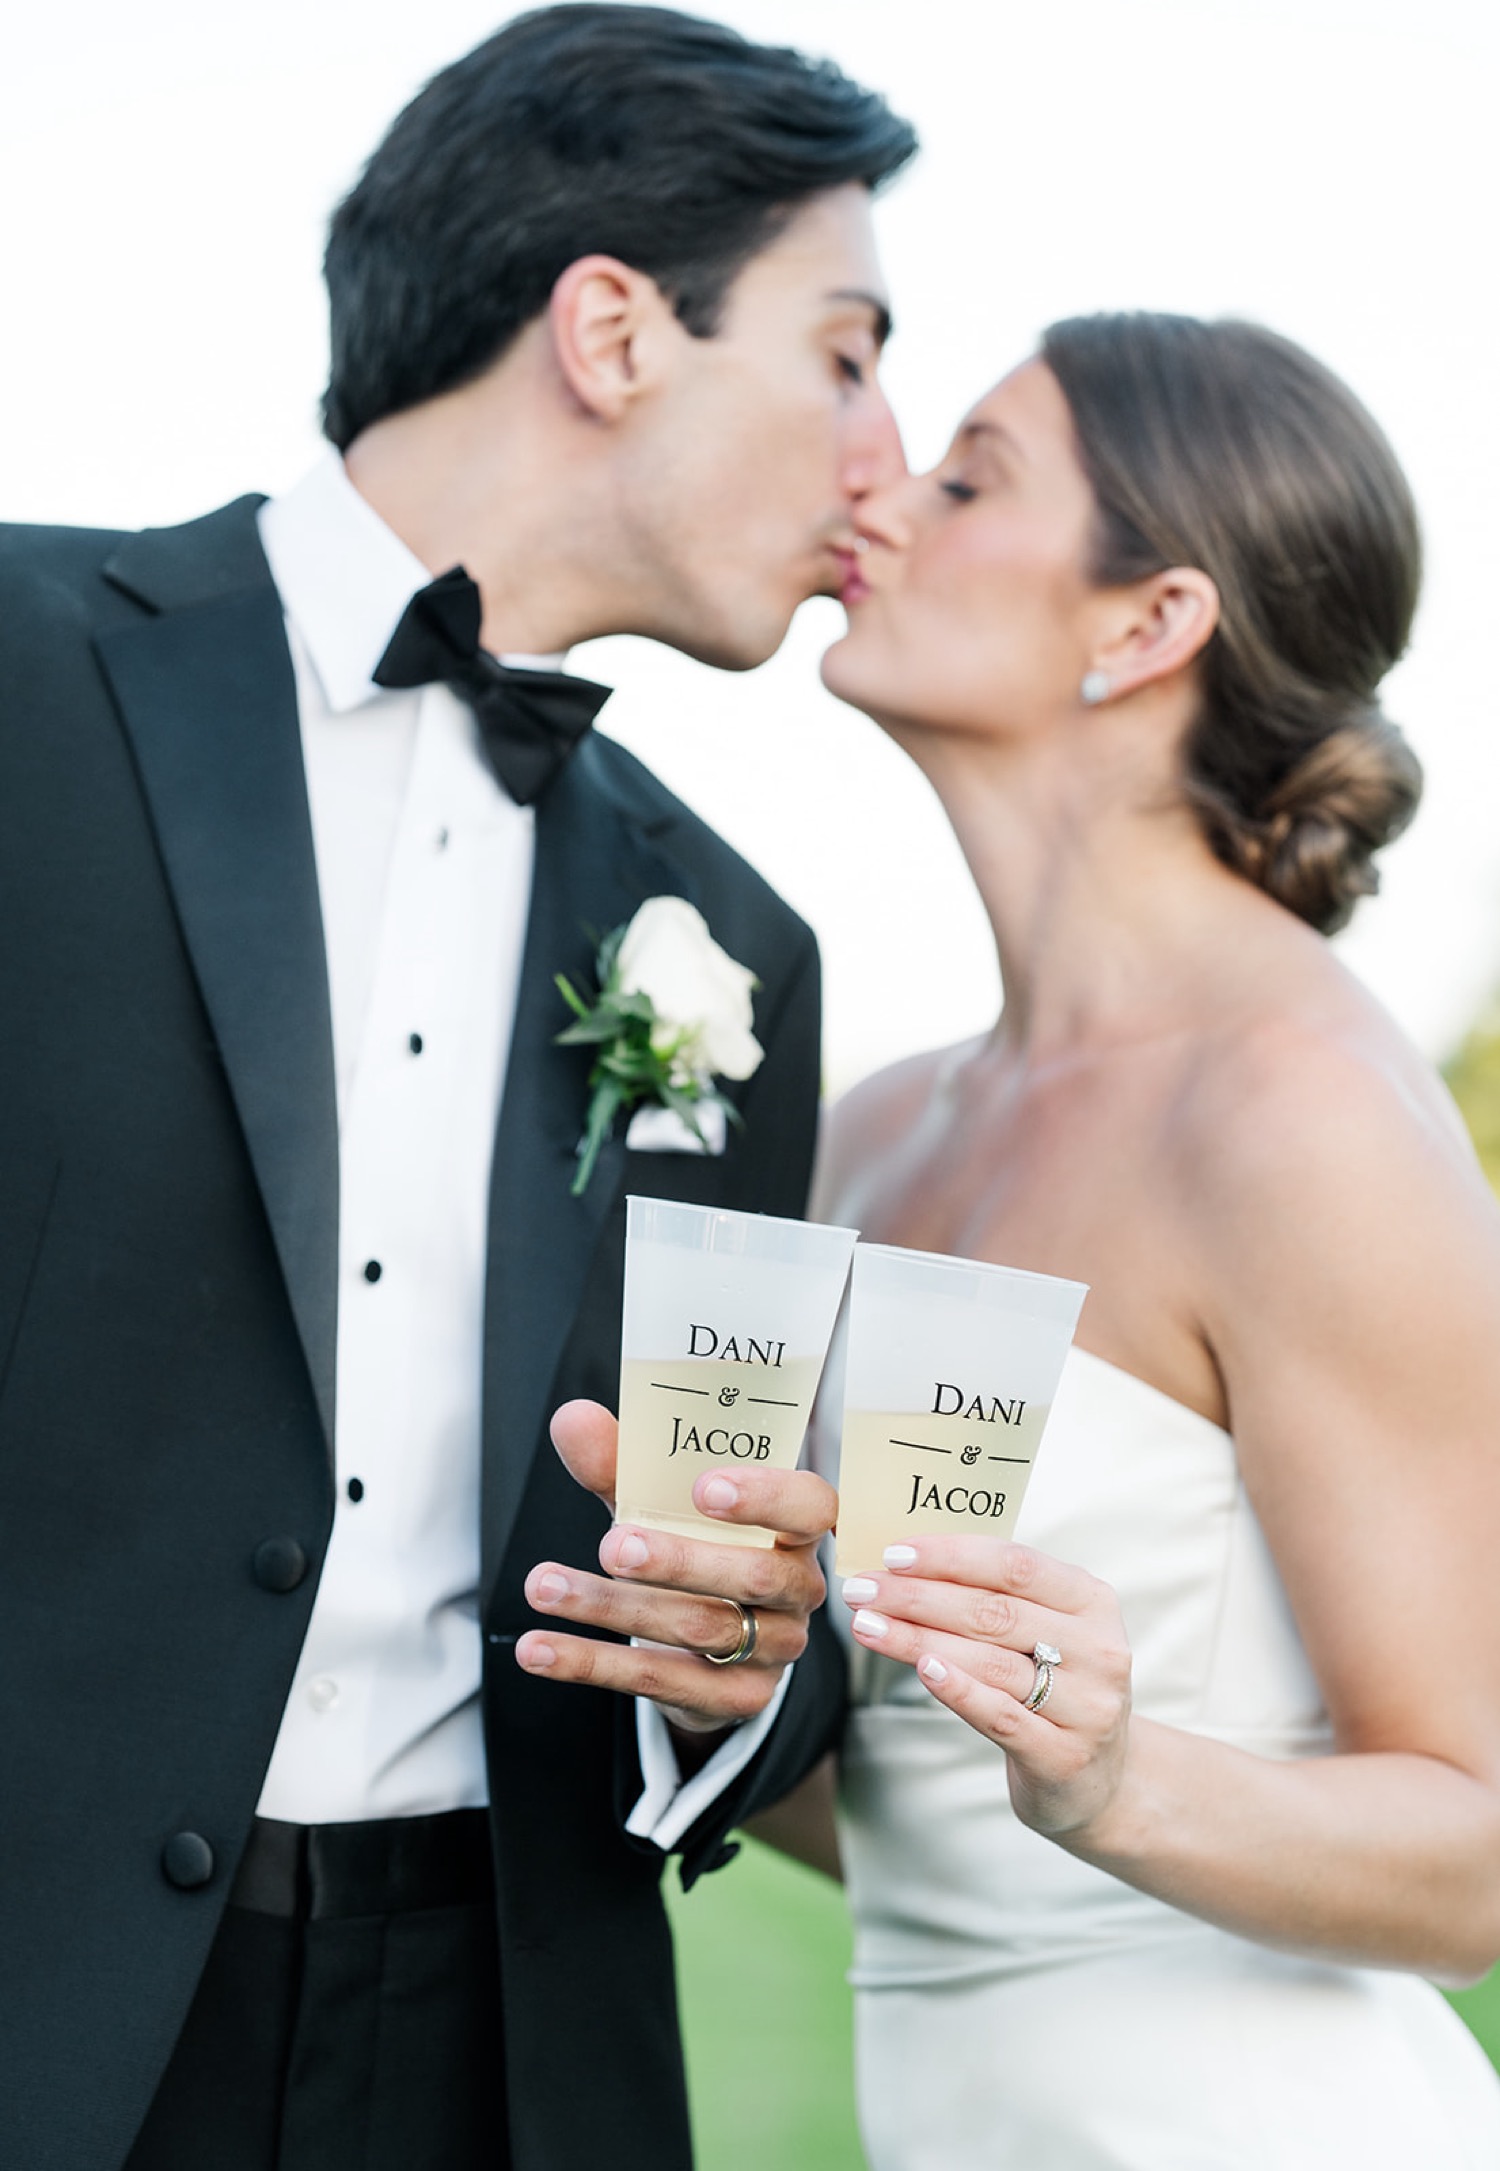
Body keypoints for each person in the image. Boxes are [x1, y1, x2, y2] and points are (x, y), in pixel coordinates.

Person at [0, 11, 915, 2170]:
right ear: (612, 329)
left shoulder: (740, 952)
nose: (882, 453)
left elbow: (722, 1583)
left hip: (505, 2062)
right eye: (847, 351)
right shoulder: (19, 676)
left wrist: (744, 1663)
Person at [800, 314, 1500, 2166]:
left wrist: (1114, 1780)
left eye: (970, 474)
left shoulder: (1298, 1113)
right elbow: (898, 1794)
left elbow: (1487, 1848)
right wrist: (707, 1680)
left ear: (1146, 625)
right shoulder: (877, 1134)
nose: (879, 492)